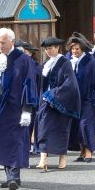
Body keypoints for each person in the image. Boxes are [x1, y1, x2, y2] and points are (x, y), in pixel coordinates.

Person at [0, 27, 38, 190]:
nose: (0, 46)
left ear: (12, 41)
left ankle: (14, 176)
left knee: (14, 142)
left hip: (15, 108)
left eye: (3, 43)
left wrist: (27, 109)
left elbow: (30, 84)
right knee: (2, 142)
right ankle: (9, 176)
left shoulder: (23, 59)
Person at [34, 36, 81, 171]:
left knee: (61, 130)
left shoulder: (65, 63)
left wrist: (53, 94)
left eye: (50, 48)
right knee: (43, 129)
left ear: (57, 48)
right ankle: (43, 159)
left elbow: (70, 84)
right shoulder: (46, 64)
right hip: (45, 102)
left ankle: (62, 157)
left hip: (60, 102)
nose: (48, 51)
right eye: (46, 49)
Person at [67, 35, 95, 163]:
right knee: (77, 127)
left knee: (85, 125)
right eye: (73, 49)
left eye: (77, 49)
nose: (75, 51)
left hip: (89, 98)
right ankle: (82, 151)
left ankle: (89, 151)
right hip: (74, 100)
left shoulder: (90, 61)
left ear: (82, 48)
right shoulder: (69, 61)